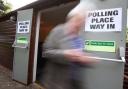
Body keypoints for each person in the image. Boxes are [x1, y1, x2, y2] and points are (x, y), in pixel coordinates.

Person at [41, 6, 97, 89]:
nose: (81, 22)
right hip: (56, 83)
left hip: (75, 83)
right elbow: (46, 52)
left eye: (84, 20)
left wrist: (85, 59)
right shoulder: (58, 31)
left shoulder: (79, 36)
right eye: (79, 19)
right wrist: (65, 54)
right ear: (71, 18)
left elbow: (78, 57)